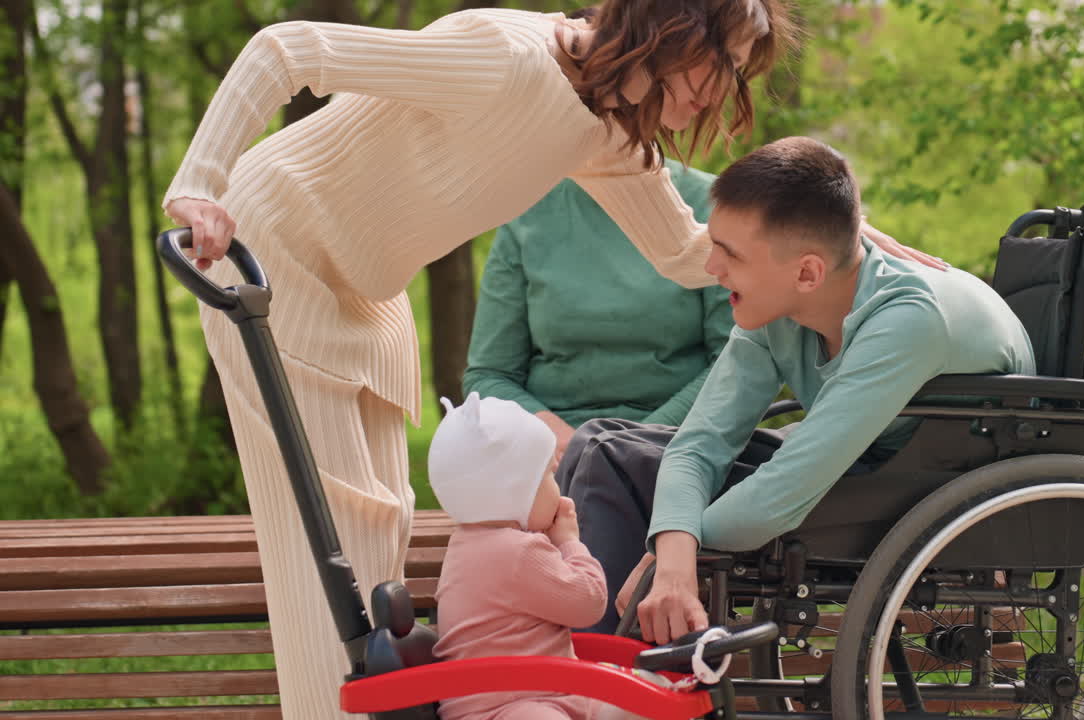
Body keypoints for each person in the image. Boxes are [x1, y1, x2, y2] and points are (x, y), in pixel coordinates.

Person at [160, 2, 939, 715]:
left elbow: (685, 252)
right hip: (274, 253)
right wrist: (198, 186)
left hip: (366, 290)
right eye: (721, 60)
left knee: (380, 524)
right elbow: (291, 48)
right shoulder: (504, 56)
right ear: (671, 24)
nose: (723, 90)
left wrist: (840, 244)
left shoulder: (604, 132)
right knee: (323, 546)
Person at [557, 137, 1037, 640]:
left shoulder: (908, 320)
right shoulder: (783, 300)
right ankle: (591, 666)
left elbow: (774, 503)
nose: (712, 268)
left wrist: (666, 554)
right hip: (858, 464)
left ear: (807, 272)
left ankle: (606, 679)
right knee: (598, 441)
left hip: (926, 486)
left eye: (730, 255)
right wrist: (673, 555)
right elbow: (698, 444)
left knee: (614, 460)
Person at [463, 160, 731, 459]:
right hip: (554, 456)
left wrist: (633, 445)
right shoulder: (528, 207)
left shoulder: (713, 202)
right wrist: (560, 440)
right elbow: (489, 376)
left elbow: (736, 364)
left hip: (678, 445)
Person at [429, 393, 662, 720]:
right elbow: (589, 603)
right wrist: (570, 542)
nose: (559, 488)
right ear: (517, 489)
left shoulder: (466, 545)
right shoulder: (518, 552)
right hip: (510, 708)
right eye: (550, 476)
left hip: (543, 692)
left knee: (643, 696)